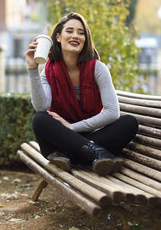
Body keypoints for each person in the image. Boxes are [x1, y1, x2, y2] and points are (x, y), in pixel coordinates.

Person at [25, 12, 138, 176]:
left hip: (88, 136)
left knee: (129, 122)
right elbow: (41, 106)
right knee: (40, 119)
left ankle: (69, 155)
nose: (75, 36)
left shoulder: (98, 69)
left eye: (81, 32)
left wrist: (72, 127)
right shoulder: (48, 71)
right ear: (58, 37)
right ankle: (98, 154)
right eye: (69, 31)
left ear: (86, 39)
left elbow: (112, 112)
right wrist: (32, 68)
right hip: (60, 140)